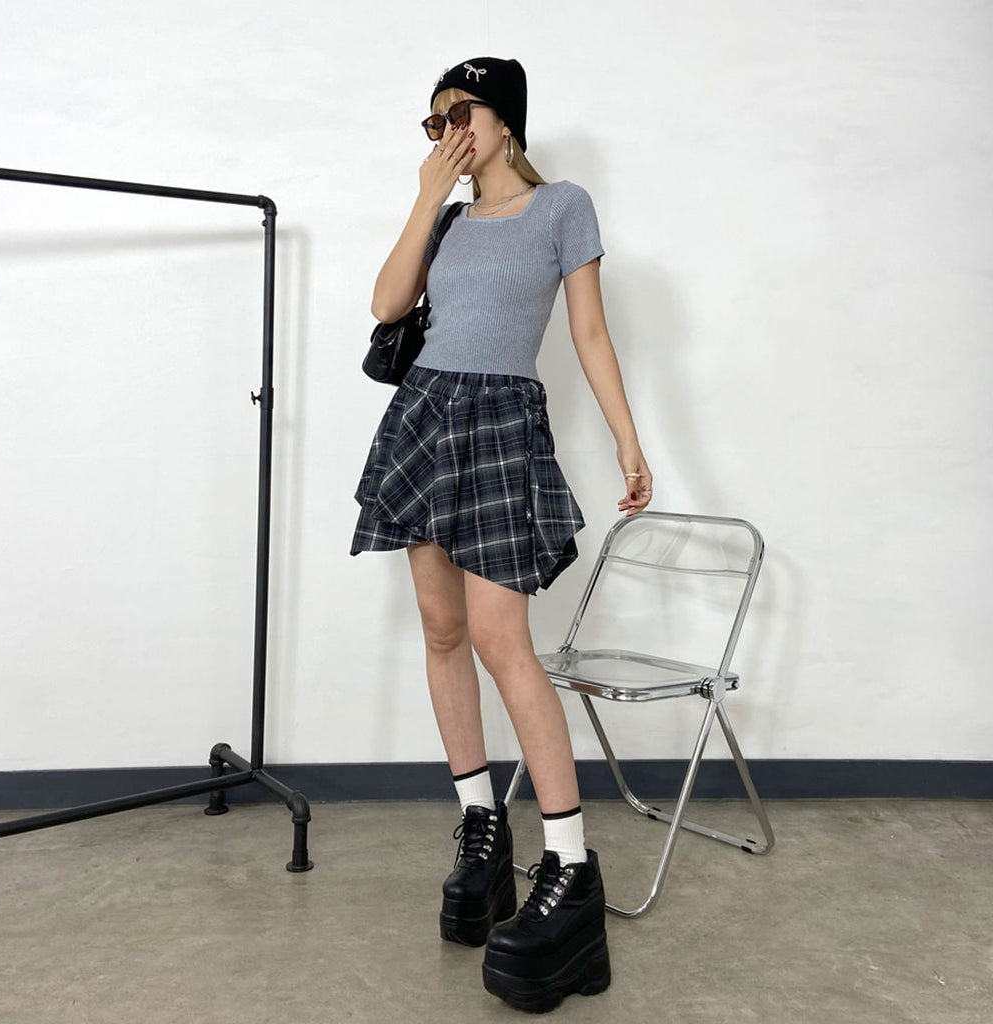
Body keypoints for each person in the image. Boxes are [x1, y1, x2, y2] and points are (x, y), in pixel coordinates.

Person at [351, 56, 653, 1013]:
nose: (448, 131)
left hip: (501, 423)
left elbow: (590, 335)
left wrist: (628, 440)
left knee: (500, 638)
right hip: (425, 419)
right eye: (434, 119)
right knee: (443, 631)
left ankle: (571, 866)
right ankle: (481, 830)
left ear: (505, 119)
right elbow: (387, 307)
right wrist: (424, 197)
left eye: (462, 113)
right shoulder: (444, 217)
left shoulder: (563, 207)